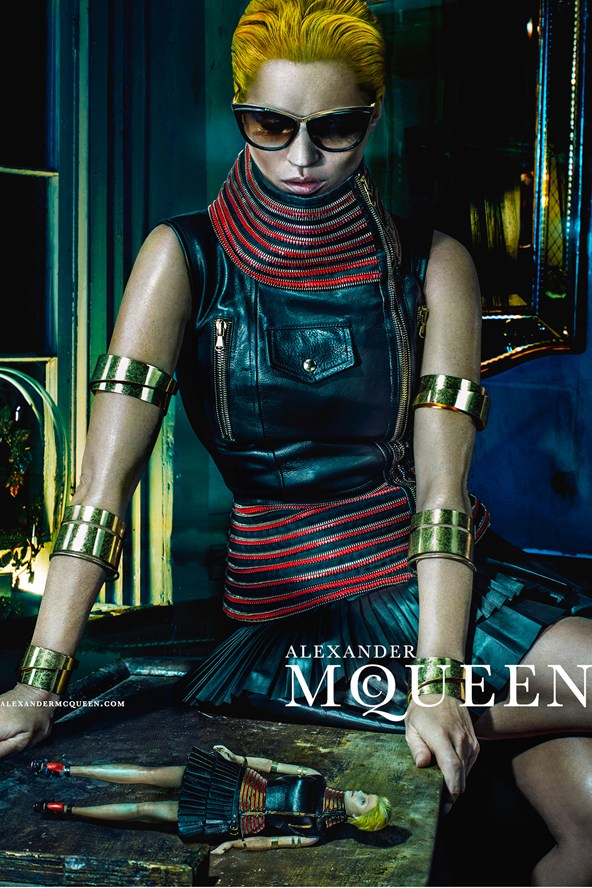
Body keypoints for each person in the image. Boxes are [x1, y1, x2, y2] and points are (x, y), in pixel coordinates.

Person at [1, 1, 591, 882]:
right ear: (240, 114)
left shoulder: (437, 264)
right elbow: (101, 492)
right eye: (272, 127)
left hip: (445, 593)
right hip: (298, 633)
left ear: (372, 119)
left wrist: (437, 682)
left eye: (334, 129)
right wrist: (40, 680)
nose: (302, 157)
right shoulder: (181, 257)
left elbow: (441, 498)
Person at [30, 744, 392, 851]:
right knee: (150, 775)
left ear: (356, 819)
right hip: (232, 780)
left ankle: (69, 809)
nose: (360, 793)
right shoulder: (315, 777)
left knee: (145, 808)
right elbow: (273, 766)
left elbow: (271, 842)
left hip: (227, 816)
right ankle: (67, 769)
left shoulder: (314, 833)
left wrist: (233, 845)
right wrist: (238, 759)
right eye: (366, 794)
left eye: (364, 801)